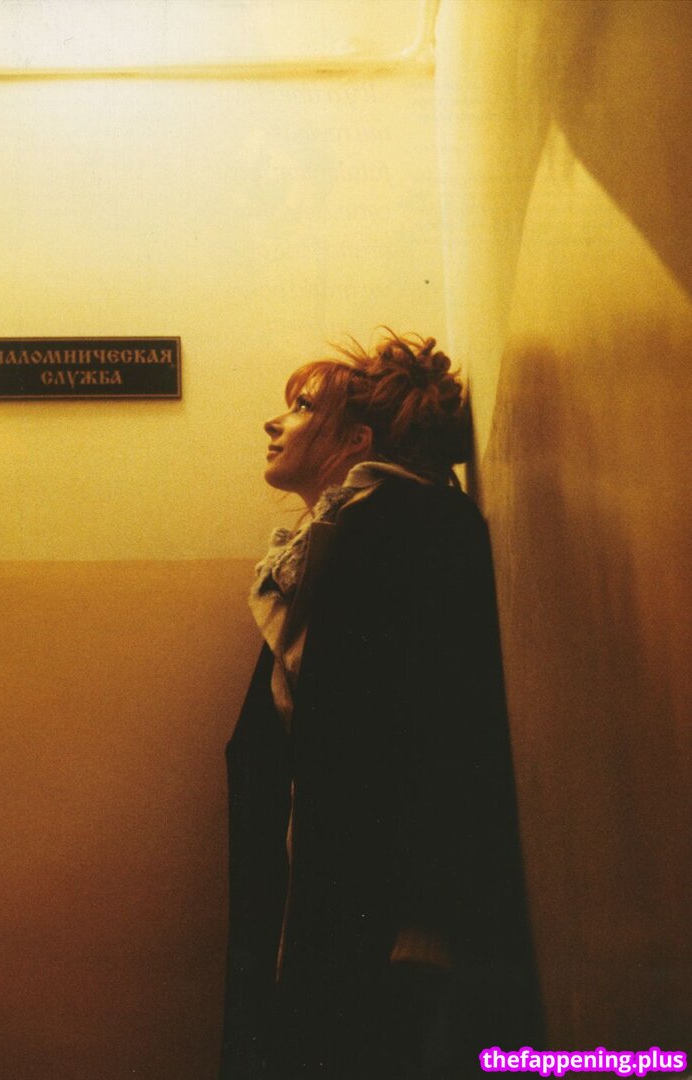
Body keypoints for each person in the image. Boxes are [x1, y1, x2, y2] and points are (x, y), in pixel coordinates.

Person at [220, 333, 542, 1079]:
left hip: (380, 910)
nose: (276, 421)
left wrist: (425, 917)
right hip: (339, 888)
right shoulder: (347, 536)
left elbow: (438, 725)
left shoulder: (404, 526)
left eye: (302, 407)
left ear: (357, 441)